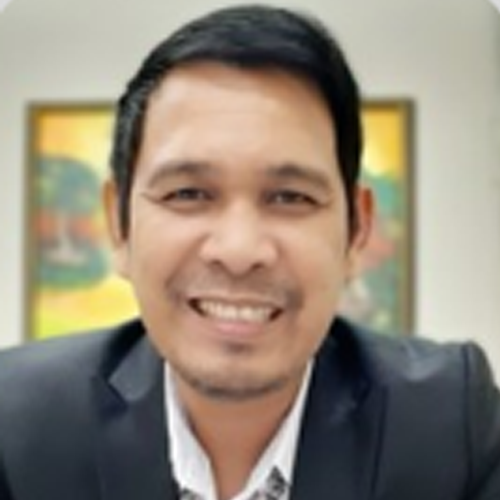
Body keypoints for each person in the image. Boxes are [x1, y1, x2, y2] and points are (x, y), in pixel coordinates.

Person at [0, 5, 499, 500]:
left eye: (290, 197)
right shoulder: (17, 423)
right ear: (118, 224)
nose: (238, 251)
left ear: (357, 229)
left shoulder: (449, 426)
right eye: (188, 193)